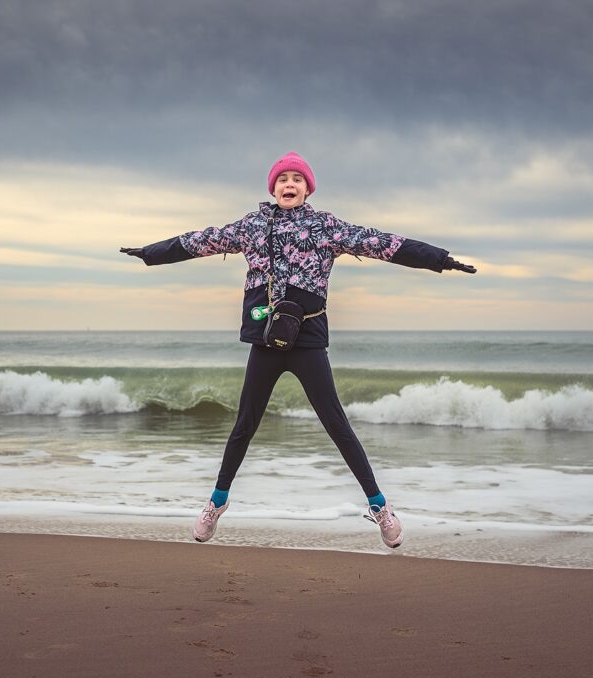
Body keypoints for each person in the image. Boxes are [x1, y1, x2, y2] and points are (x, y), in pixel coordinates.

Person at [121, 152, 476, 548]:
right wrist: (151, 253)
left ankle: (380, 509)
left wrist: (441, 260)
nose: (289, 184)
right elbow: (202, 240)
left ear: (308, 188)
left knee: (337, 425)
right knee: (244, 426)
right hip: (264, 338)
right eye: (282, 179)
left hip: (306, 340)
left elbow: (382, 243)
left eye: (297, 179)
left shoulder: (325, 227)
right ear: (272, 188)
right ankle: (215, 505)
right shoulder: (252, 225)